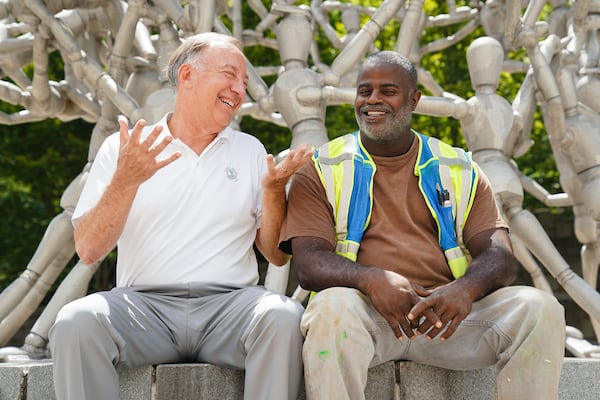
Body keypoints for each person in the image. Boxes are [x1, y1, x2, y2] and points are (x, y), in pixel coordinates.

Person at [279, 50, 566, 399]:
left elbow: (499, 256)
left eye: (387, 91)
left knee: (540, 309)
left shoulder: (458, 167)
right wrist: (370, 280)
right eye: (364, 90)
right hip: (366, 319)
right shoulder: (323, 166)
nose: (372, 100)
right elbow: (309, 263)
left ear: (414, 99)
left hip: (447, 321)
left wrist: (465, 290)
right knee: (331, 307)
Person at [48, 32, 313, 400]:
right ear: (187, 76)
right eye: (229, 75)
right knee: (75, 323)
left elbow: (276, 254)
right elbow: (89, 249)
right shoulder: (125, 148)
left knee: (282, 316)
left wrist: (272, 191)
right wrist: (127, 178)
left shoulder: (250, 150)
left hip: (231, 307)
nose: (240, 90)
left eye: (244, 83)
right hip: (143, 308)